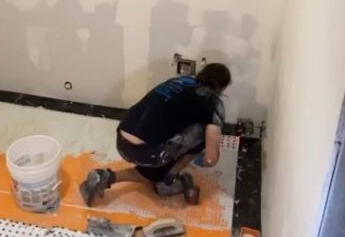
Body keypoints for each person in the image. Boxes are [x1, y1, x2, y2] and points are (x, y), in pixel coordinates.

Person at [80, 62, 231, 206]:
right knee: (201, 134)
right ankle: (167, 182)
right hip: (148, 152)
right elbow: (211, 159)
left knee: (155, 168)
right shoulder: (214, 103)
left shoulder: (179, 81)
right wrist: (196, 158)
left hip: (121, 140)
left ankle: (105, 177)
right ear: (220, 88)